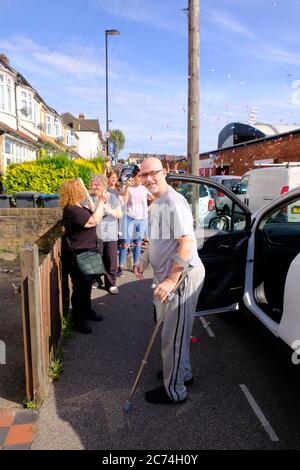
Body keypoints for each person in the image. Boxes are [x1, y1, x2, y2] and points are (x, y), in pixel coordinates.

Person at [134, 157, 205, 405]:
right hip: (168, 276)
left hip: (182, 277)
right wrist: (143, 260)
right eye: (143, 175)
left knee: (172, 336)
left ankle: (175, 391)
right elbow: (158, 240)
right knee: (176, 332)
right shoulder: (157, 203)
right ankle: (182, 373)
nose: (148, 179)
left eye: (152, 173)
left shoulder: (173, 202)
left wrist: (172, 279)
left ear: (164, 172)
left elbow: (186, 242)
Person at [60, 179, 107, 334]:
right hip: (79, 253)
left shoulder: (79, 206)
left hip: (88, 250)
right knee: (79, 288)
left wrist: (96, 207)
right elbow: (92, 221)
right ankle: (78, 320)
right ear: (75, 191)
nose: (84, 190)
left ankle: (87, 312)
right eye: (80, 188)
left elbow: (94, 218)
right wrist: (101, 202)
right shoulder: (71, 209)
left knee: (86, 286)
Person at [118, 168, 153, 277]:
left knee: (137, 243)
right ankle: (120, 267)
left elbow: (153, 198)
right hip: (129, 218)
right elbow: (124, 200)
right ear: (133, 177)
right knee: (125, 244)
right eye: (139, 176)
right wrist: (127, 187)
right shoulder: (127, 188)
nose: (140, 178)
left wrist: (148, 208)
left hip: (142, 219)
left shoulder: (144, 188)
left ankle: (136, 265)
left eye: (142, 176)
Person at [90, 174, 122, 294]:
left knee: (110, 259)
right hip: (95, 234)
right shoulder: (90, 197)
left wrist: (109, 210)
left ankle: (111, 284)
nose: (94, 187)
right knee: (96, 258)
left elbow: (119, 214)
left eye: (97, 184)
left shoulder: (112, 197)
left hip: (110, 234)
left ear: (103, 185)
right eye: (93, 184)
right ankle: (96, 280)